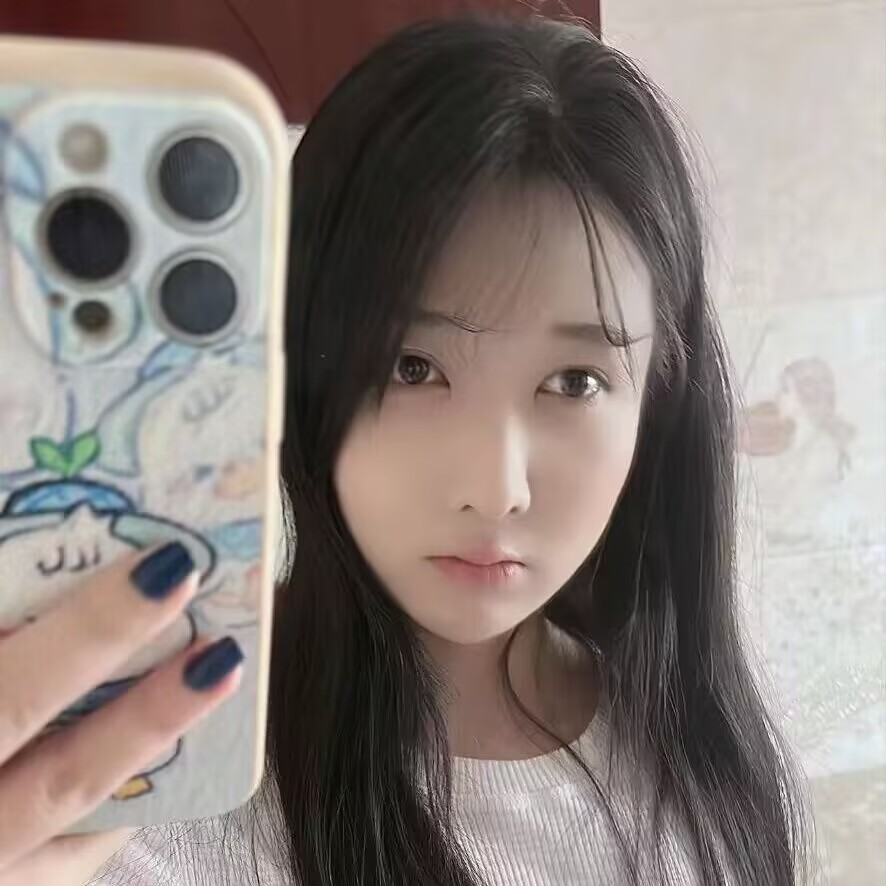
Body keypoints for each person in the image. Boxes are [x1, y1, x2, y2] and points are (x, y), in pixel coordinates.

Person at [0, 16, 817, 886]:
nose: (495, 490)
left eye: (575, 381)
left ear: (660, 398)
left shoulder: (702, 751)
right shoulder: (144, 815)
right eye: (413, 366)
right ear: (301, 364)